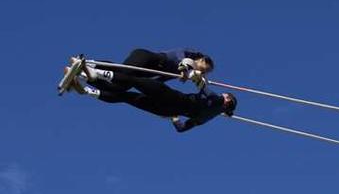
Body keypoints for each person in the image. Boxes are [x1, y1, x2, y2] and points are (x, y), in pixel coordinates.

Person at [69, 72, 237, 133]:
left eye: (226, 95)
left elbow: (204, 89)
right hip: (165, 110)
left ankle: (92, 75)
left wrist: (196, 77)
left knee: (134, 80)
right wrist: (174, 118)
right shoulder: (205, 119)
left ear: (227, 100)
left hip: (172, 98)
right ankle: (89, 91)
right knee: (126, 97)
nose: (223, 95)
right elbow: (182, 129)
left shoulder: (218, 100)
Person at [84, 48, 215, 91]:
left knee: (121, 87)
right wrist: (185, 69)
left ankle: (87, 77)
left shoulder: (178, 73)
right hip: (146, 58)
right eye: (203, 69)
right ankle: (90, 64)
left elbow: (160, 80)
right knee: (122, 72)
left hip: (144, 72)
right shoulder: (188, 56)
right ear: (201, 60)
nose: (202, 72)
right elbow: (179, 57)